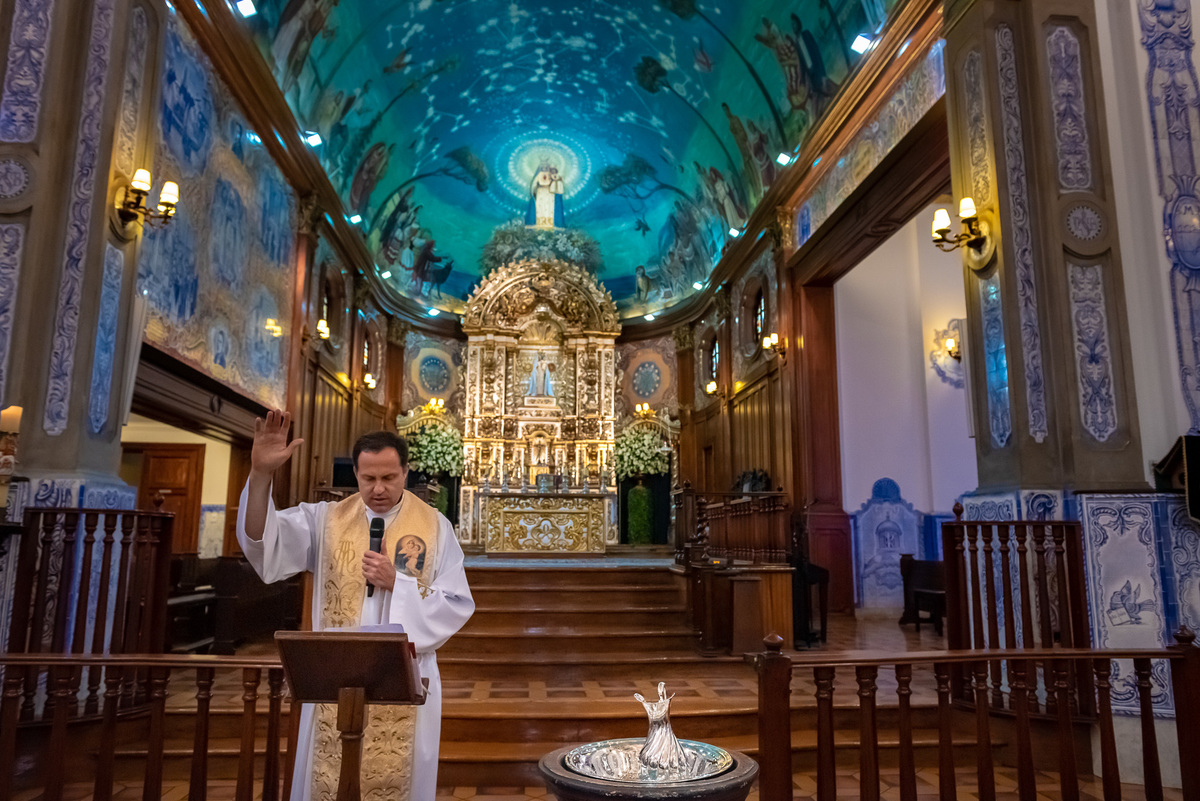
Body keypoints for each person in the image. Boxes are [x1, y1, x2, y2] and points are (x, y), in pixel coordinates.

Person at [236, 413, 473, 801]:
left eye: (389, 478)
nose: (378, 489)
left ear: (406, 472)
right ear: (356, 474)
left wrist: (398, 583)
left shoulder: (435, 526)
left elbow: (456, 604)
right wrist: (261, 476)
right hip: (336, 676)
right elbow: (263, 544)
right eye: (368, 479)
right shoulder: (326, 520)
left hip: (404, 680)